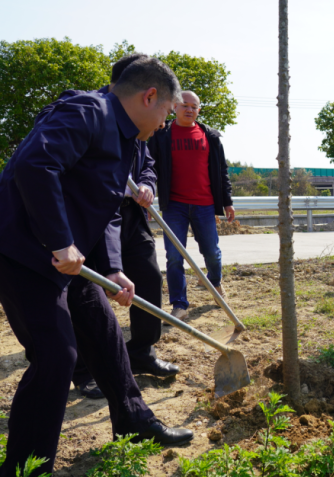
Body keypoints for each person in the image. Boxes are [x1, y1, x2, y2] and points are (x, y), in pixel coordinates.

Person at [0, 57, 193, 476]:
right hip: (24, 254)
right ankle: (24, 468)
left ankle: (134, 420)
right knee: (56, 356)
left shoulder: (130, 142)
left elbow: (104, 209)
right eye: (166, 113)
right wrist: (61, 242)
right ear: (150, 96)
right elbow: (35, 166)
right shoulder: (86, 112)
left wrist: (111, 268)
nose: (165, 123)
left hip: (71, 260)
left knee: (105, 337)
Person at [60, 54, 179, 401]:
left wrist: (147, 184)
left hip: (129, 214)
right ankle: (84, 371)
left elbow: (149, 164)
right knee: (88, 294)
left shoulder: (140, 120)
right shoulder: (91, 110)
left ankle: (142, 350)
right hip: (94, 216)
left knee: (146, 277)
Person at [148, 91, 234, 322]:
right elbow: (148, 169)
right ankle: (179, 304)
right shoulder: (160, 135)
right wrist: (147, 200)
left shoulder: (211, 137)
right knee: (174, 257)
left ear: (199, 110)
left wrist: (226, 201)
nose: (189, 110)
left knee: (212, 253)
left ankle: (214, 282)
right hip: (173, 206)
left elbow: (222, 172)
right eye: (185, 105)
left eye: (194, 106)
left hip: (205, 205)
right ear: (175, 106)